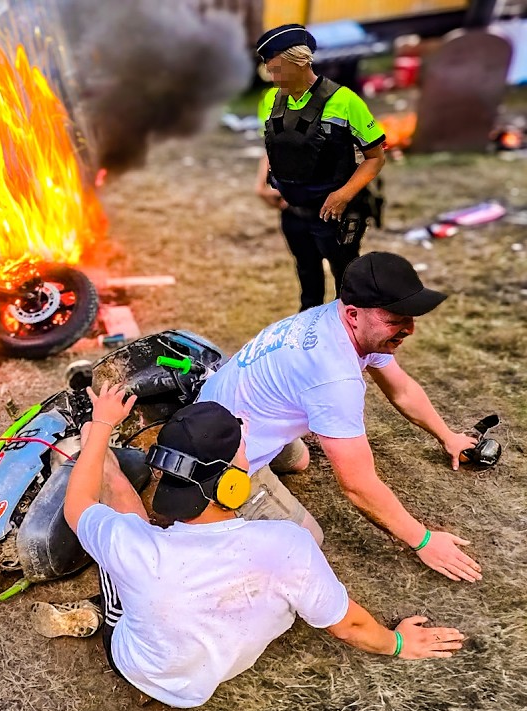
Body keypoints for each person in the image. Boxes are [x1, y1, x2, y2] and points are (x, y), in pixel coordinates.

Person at [30, 387, 465, 709]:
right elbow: (348, 625)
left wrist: (100, 430)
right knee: (127, 557)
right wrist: (397, 644)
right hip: (201, 681)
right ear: (232, 483)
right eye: (243, 453)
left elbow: (79, 506)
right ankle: (95, 613)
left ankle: (96, 462)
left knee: (123, 545)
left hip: (145, 665)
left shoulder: (136, 547)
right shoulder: (287, 547)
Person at [198, 252, 481, 582]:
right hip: (218, 455)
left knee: (300, 461)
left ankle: (260, 455)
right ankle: (212, 518)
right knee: (305, 543)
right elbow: (358, 486)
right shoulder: (333, 377)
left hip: (231, 411)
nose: (410, 329)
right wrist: (424, 540)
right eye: (397, 320)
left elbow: (401, 389)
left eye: (412, 317)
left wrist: (448, 436)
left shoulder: (344, 320)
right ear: (353, 314)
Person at [254, 24, 387, 311]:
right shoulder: (270, 100)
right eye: (269, 70)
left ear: (300, 61)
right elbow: (272, 146)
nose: (273, 77)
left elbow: (375, 157)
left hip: (334, 215)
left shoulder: (345, 101)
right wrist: (261, 182)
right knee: (307, 279)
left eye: (278, 69)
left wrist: (343, 195)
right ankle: (309, 336)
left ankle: (347, 340)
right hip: (293, 213)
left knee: (346, 285)